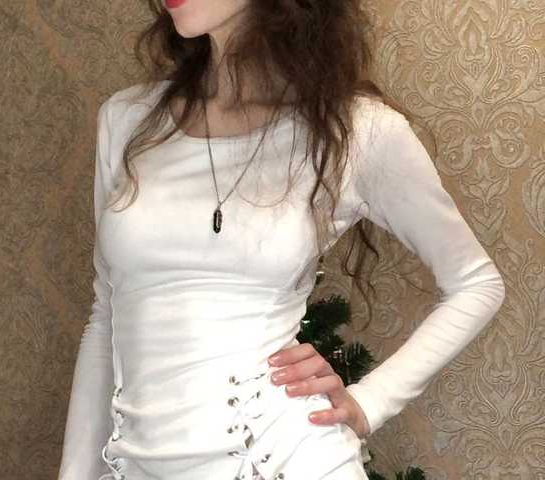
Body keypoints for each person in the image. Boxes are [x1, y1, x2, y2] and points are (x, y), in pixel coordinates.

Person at [57, 1, 506, 479]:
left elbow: (477, 283)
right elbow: (106, 316)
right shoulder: (128, 119)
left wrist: (370, 401)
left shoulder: (357, 130)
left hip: (287, 460)